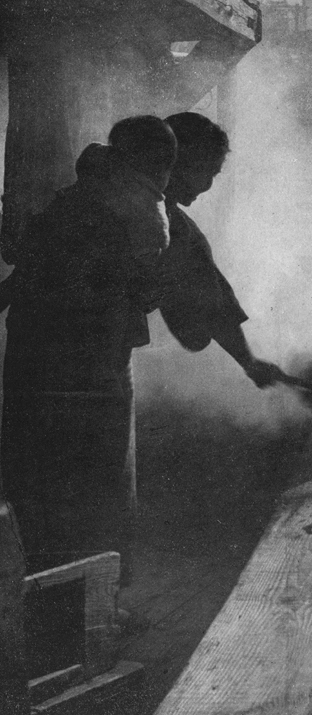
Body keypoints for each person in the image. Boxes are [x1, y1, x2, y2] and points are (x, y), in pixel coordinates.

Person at [0, 116, 178, 583]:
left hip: (33, 363)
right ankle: (94, 596)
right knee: (95, 482)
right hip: (93, 369)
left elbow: (31, 264)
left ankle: (35, 587)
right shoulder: (145, 214)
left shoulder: (75, 200)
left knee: (35, 477)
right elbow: (140, 291)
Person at [148, 111, 288, 389]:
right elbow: (210, 309)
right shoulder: (172, 228)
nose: (208, 185)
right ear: (180, 162)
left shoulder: (112, 186)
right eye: (207, 172)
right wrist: (249, 362)